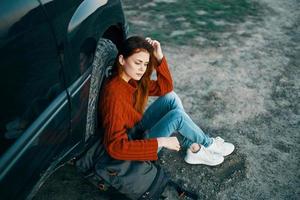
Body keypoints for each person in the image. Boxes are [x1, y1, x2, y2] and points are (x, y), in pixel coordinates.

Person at [98, 36, 234, 166]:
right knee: (178, 117)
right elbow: (115, 148)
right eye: (137, 63)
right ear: (122, 60)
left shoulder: (131, 79)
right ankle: (207, 144)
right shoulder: (115, 95)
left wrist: (159, 58)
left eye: (145, 64)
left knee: (171, 97)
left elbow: (165, 87)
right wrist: (160, 141)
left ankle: (192, 146)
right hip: (135, 147)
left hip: (137, 128)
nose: (142, 69)